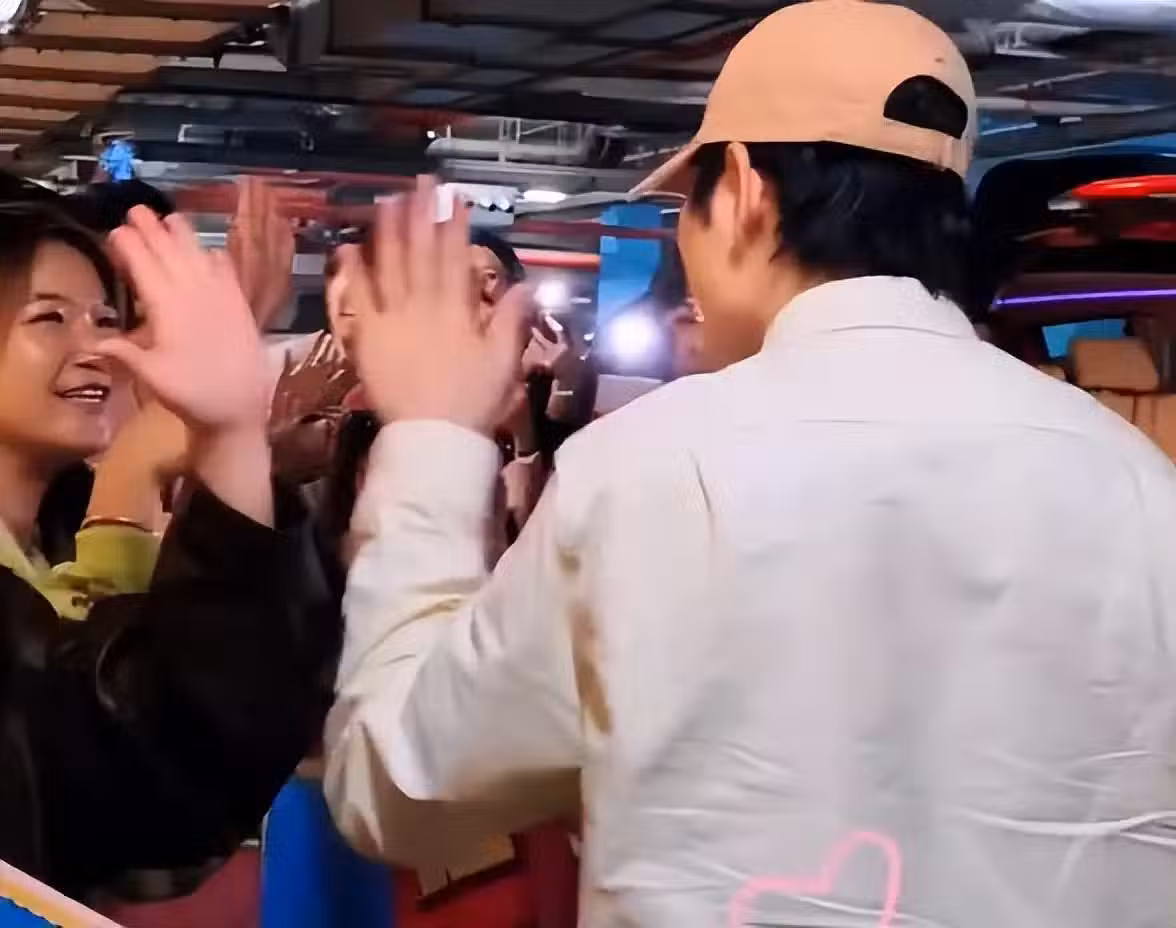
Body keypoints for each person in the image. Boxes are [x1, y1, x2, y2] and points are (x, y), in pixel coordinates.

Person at [326, 2, 1176, 926]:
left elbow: (401, 785)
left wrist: (432, 439)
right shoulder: (1135, 480)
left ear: (737, 189)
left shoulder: (647, 469)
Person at [0, 200, 341, 901]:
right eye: (49, 317)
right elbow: (136, 767)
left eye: (105, 319)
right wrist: (172, 462)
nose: (98, 348)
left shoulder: (46, 546)